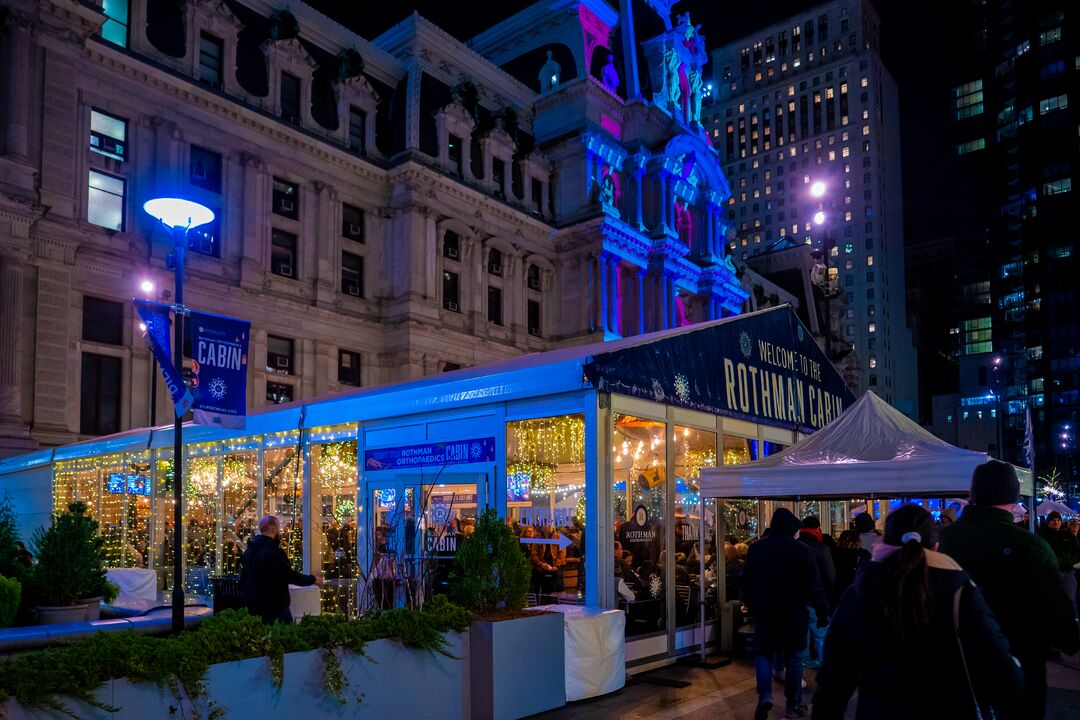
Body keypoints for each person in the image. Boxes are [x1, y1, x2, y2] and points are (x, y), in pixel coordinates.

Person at [812, 505, 1023, 719]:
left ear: (884, 542)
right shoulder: (960, 591)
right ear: (937, 546)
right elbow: (1004, 675)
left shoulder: (859, 592)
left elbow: (834, 680)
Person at [940, 461, 1080, 720]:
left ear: (973, 493)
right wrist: (1069, 638)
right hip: (1018, 661)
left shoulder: (943, 540)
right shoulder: (1028, 545)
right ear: (1013, 496)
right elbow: (1052, 607)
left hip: (954, 663)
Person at [742, 508, 828, 720]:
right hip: (794, 612)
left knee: (764, 654)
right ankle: (794, 704)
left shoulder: (756, 549)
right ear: (792, 529)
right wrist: (822, 611)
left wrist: (750, 604)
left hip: (765, 611)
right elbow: (813, 585)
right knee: (794, 657)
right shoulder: (802, 550)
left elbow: (746, 581)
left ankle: (765, 696)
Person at [240, 515, 319, 624]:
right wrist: (313, 579)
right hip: (274, 606)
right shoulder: (273, 552)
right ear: (274, 529)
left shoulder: (249, 551)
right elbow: (288, 575)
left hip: (253, 604)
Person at [799, 516, 835, 669]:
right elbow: (830, 576)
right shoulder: (822, 548)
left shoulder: (796, 546)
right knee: (820, 631)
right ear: (818, 529)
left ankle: (805, 659)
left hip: (798, 596)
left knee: (803, 631)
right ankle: (823, 662)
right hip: (816, 596)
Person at [1039, 510, 1079, 617]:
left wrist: (1071, 565)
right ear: (1048, 522)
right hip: (1049, 574)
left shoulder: (1069, 537)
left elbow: (1077, 553)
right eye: (1053, 520)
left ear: (1061, 522)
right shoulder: (1042, 537)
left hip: (1067, 573)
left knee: (1070, 599)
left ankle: (1074, 622)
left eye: (1058, 520)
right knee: (1051, 601)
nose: (1056, 522)